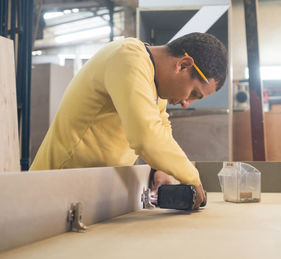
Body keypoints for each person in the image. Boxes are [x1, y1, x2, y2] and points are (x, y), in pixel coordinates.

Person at [30, 32, 228, 209]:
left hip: (84, 192)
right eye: (194, 93)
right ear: (183, 65)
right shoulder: (128, 58)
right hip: (53, 189)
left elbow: (161, 128)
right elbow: (146, 138)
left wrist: (161, 169)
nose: (186, 103)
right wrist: (193, 179)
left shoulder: (153, 82)